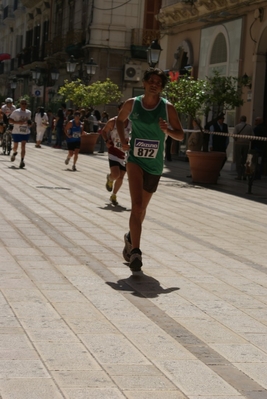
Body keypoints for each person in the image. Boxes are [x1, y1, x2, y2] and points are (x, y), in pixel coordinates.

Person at [116, 68, 184, 272]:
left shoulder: (167, 108)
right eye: (151, 81)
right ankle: (136, 251)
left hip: (155, 164)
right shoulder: (133, 103)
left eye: (159, 82)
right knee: (136, 205)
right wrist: (123, 140)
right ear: (144, 83)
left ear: (162, 87)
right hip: (135, 159)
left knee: (142, 209)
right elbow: (119, 121)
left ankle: (129, 237)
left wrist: (168, 131)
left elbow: (180, 135)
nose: (154, 84)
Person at [102, 103, 131, 206]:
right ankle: (110, 178)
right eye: (123, 109)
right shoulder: (112, 122)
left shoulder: (131, 123)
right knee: (116, 174)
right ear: (119, 110)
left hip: (125, 154)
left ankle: (114, 195)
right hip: (114, 151)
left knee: (121, 177)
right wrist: (106, 140)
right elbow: (104, 131)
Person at [9, 99, 32, 169]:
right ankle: (14, 153)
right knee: (15, 146)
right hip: (16, 131)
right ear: (20, 104)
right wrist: (18, 123)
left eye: (25, 104)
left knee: (23, 146)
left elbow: (29, 121)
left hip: (25, 132)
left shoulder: (29, 112)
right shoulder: (16, 111)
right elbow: (10, 120)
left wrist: (30, 124)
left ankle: (22, 161)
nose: (24, 105)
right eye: (22, 103)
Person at [233, 115, 254, 180]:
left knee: (238, 159)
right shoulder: (249, 127)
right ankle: (245, 175)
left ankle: (239, 175)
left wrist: (237, 140)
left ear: (240, 120)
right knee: (245, 160)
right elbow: (252, 136)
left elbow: (234, 135)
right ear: (246, 120)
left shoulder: (237, 126)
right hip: (246, 144)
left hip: (238, 144)